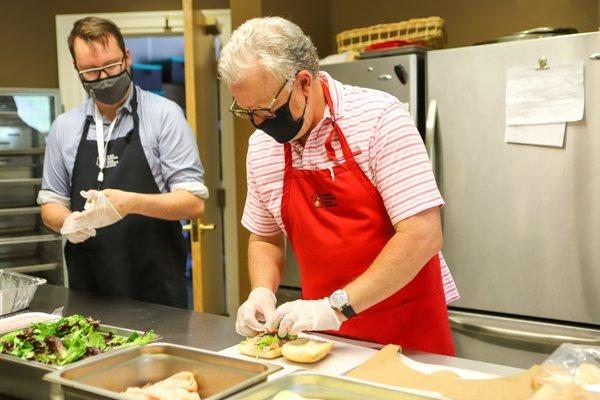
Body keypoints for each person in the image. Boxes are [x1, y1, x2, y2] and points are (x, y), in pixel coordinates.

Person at [218, 17, 459, 355]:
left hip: (408, 336)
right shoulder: (262, 148)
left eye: (268, 112)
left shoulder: (379, 119)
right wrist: (262, 291)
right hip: (325, 342)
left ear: (304, 82)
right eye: (248, 113)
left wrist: (334, 308)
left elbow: (422, 235)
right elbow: (265, 235)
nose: (259, 125)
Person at [38, 17, 208, 308]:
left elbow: (193, 202)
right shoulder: (64, 128)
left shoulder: (165, 116)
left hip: (157, 290)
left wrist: (128, 203)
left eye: (111, 66)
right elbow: (50, 204)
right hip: (88, 291)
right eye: (91, 71)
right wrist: (67, 222)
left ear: (127, 58)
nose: (104, 77)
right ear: (78, 70)